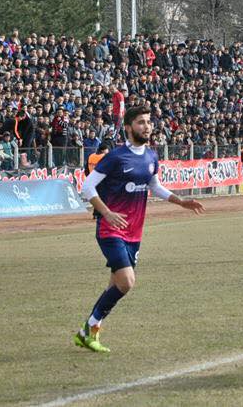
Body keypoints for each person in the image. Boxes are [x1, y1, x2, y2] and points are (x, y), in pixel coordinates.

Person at [74, 105, 205, 353]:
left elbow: (154, 186)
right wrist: (107, 213)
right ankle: (89, 327)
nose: (147, 126)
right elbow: (87, 187)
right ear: (128, 127)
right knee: (127, 282)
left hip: (135, 232)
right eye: (141, 122)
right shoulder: (115, 156)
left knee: (115, 284)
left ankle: (88, 332)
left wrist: (181, 202)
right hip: (111, 229)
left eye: (148, 122)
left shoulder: (151, 156)